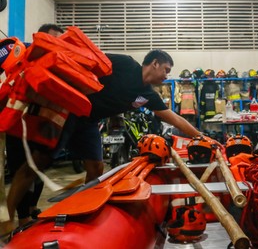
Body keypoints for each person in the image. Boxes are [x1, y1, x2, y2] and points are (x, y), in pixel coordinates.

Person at [3, 48, 204, 234]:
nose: (166, 76)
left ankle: (84, 209)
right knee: (37, 164)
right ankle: (11, 219)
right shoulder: (125, 64)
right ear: (154, 63)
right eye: (166, 70)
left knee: (96, 167)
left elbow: (173, 117)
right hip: (69, 112)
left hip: (89, 122)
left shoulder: (147, 94)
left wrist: (200, 137)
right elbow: (89, 61)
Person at [4, 24, 64, 228]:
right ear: (41, 38)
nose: (57, 45)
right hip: (16, 123)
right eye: (53, 39)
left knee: (38, 170)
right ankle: (21, 220)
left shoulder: (61, 65)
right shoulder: (23, 55)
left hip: (41, 126)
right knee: (21, 171)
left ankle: (30, 210)